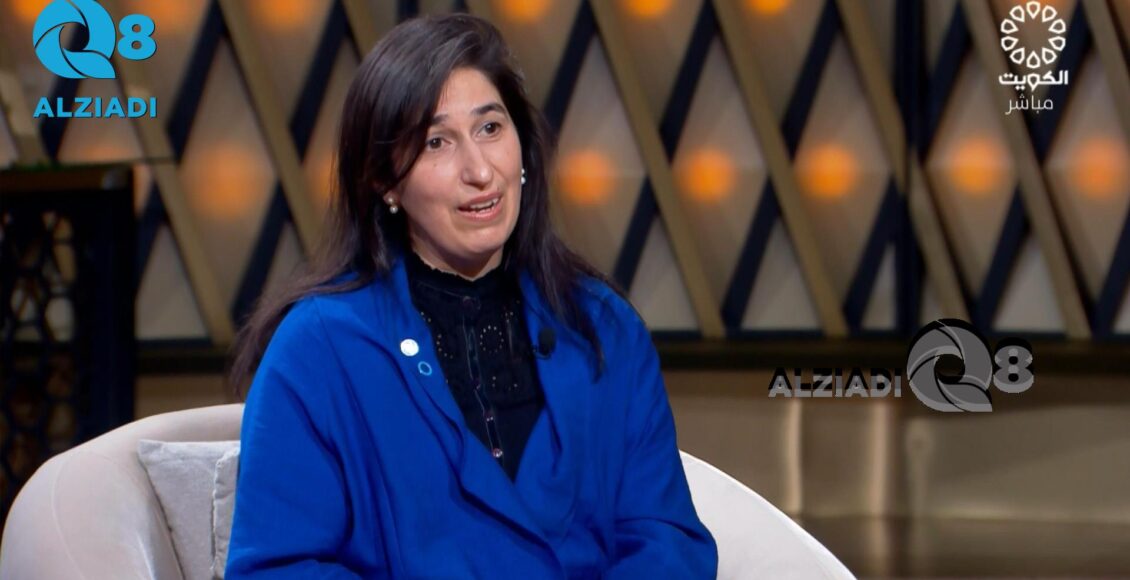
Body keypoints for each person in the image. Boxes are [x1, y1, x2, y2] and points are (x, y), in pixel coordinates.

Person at [224, 13, 716, 578]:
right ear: (385, 181)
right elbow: (276, 568)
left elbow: (666, 541)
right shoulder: (317, 350)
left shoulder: (603, 328)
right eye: (437, 142)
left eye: (490, 129)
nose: (480, 171)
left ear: (523, 148)